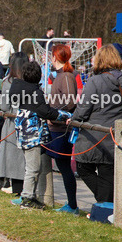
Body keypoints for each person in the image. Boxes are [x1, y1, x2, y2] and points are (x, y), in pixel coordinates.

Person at [71, 45, 122, 204]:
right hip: (114, 136)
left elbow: (84, 108)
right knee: (106, 174)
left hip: (93, 136)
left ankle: (105, 206)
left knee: (83, 168)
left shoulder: (95, 81)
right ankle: (107, 207)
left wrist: (72, 120)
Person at [10, 60, 71, 208]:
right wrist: (65, 115)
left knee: (31, 166)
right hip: (32, 135)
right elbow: (46, 111)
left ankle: (29, 195)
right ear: (38, 75)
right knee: (33, 167)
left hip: (24, 133)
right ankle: (27, 199)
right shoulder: (34, 92)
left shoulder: (19, 88)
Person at [44, 43, 81, 213]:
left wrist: (56, 116)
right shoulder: (59, 76)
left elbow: (71, 102)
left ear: (55, 57)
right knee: (60, 165)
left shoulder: (66, 76)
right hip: (54, 127)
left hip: (61, 129)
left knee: (64, 166)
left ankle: (72, 205)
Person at [0, 53, 29, 195]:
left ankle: (17, 189)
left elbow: (4, 106)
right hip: (29, 122)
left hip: (13, 122)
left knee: (13, 157)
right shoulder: (32, 80)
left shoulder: (8, 82)